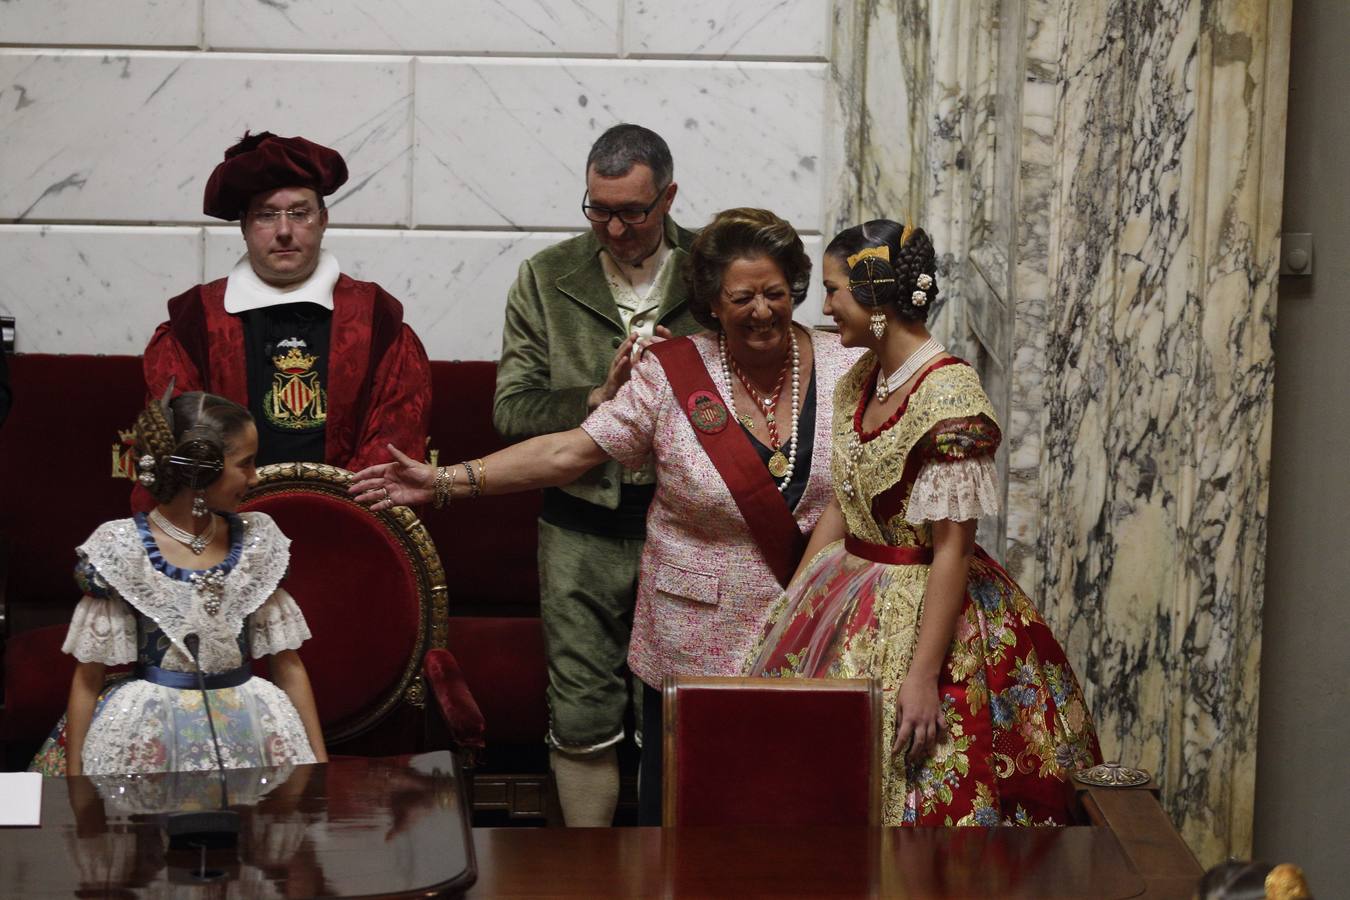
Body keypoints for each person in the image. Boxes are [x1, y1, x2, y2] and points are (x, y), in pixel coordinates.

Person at [352, 208, 861, 825]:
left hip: (816, 625)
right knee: (689, 821)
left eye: (776, 294)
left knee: (802, 812)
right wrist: (444, 481)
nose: (762, 311)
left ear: (798, 288)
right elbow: (570, 452)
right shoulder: (671, 373)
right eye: (743, 297)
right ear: (709, 303)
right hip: (694, 635)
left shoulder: (850, 367)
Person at [743, 219, 1101, 826]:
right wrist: (793, 603)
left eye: (834, 291)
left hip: (923, 608)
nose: (824, 306)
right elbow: (844, 501)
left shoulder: (951, 398)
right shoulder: (861, 378)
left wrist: (923, 677)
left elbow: (953, 550)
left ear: (878, 299)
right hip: (846, 589)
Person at [491, 124, 702, 826]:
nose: (614, 228)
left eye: (633, 212)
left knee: (687, 707)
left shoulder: (714, 271)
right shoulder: (547, 277)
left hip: (690, 527)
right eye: (597, 209)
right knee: (582, 711)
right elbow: (512, 411)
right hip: (578, 530)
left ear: (668, 197)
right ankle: (589, 875)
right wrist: (595, 397)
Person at [30, 391, 327, 776]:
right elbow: (89, 678)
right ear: (200, 471)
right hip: (151, 733)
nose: (255, 477)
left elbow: (287, 665)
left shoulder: (258, 541)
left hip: (251, 728)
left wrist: (320, 766)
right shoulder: (122, 549)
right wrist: (76, 781)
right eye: (247, 463)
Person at [142, 131, 430, 476]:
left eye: (299, 213)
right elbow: (182, 451)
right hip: (225, 523)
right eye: (266, 215)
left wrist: (334, 514)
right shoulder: (195, 324)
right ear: (244, 226)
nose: (283, 230)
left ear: (323, 221)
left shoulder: (377, 321)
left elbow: (390, 451)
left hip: (343, 521)